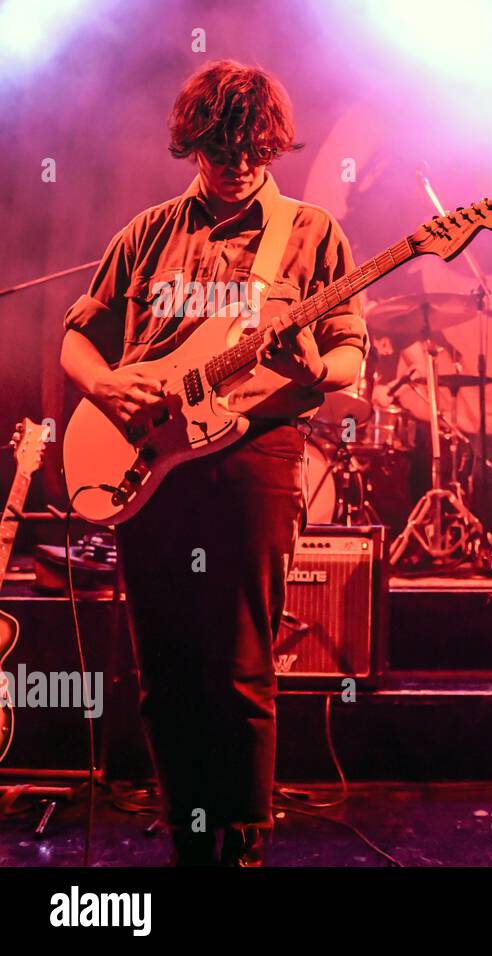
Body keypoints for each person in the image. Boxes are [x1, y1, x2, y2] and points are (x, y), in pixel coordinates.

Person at [60, 60, 367, 865]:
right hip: (146, 456)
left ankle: (244, 837)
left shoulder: (309, 234)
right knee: (161, 660)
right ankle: (186, 830)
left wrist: (308, 370)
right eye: (220, 148)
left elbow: (348, 363)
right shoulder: (146, 231)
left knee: (241, 655)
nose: (237, 165)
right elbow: (77, 338)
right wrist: (108, 386)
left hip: (255, 453)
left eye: (254, 150)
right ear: (192, 141)